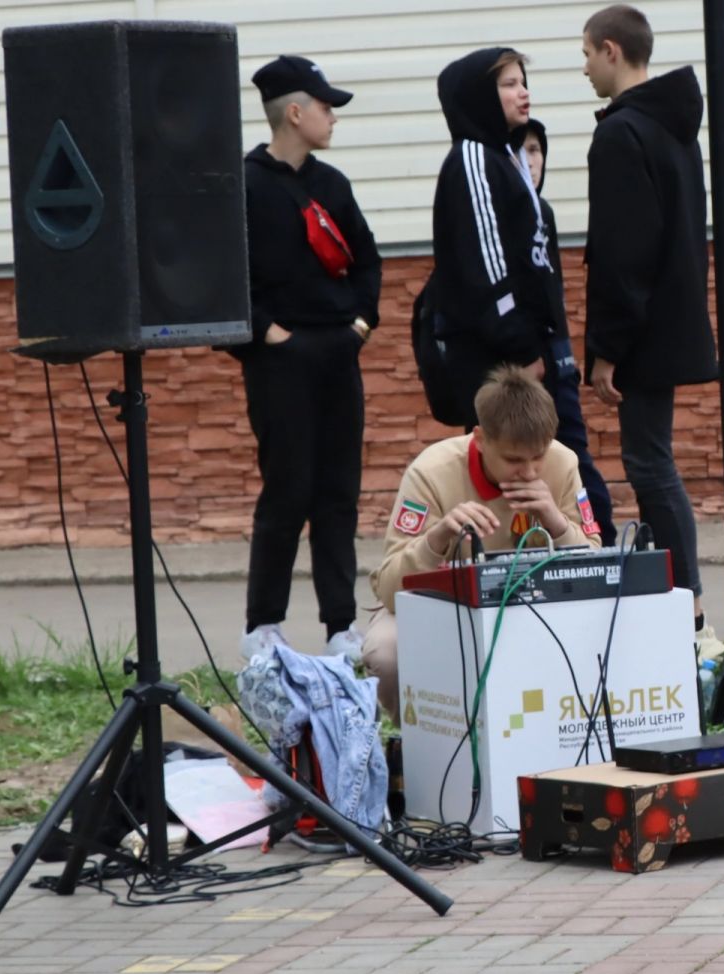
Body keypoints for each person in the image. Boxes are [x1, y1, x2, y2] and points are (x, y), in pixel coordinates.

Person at [237, 56, 382, 665]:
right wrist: (265, 332)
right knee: (287, 490)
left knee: (337, 493)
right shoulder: (244, 184)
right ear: (294, 113)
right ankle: (264, 623)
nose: (332, 117)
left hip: (336, 353)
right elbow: (224, 275)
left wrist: (359, 323)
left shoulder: (333, 184)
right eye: (325, 107)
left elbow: (368, 259)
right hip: (280, 359)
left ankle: (340, 625)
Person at [580, 5, 719, 636]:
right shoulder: (672, 126)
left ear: (612, 51)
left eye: (586, 54)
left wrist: (606, 347)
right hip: (671, 315)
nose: (584, 68)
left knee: (649, 461)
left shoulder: (621, 134)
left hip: (643, 328)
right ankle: (683, 595)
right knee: (653, 458)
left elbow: (621, 249)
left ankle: (684, 599)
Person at [361, 368, 603, 720]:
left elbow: (595, 562)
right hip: (448, 605)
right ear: (480, 438)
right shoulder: (431, 472)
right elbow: (389, 590)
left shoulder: (562, 462)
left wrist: (555, 521)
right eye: (514, 460)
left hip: (535, 604)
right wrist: (438, 537)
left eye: (538, 456)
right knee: (386, 653)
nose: (531, 472)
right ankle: (414, 740)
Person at [424, 47, 556, 413]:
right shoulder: (473, 158)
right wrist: (522, 348)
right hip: (497, 356)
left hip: (524, 345)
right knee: (507, 462)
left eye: (523, 82)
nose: (524, 92)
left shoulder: (504, 157)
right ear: (481, 96)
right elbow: (487, 267)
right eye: (510, 84)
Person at [518, 119, 617, 546]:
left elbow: (552, 287)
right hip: (514, 355)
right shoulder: (501, 210)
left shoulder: (545, 212)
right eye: (521, 150)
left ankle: (601, 542)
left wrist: (563, 354)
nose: (531, 160)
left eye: (537, 150)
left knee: (576, 455)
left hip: (554, 352)